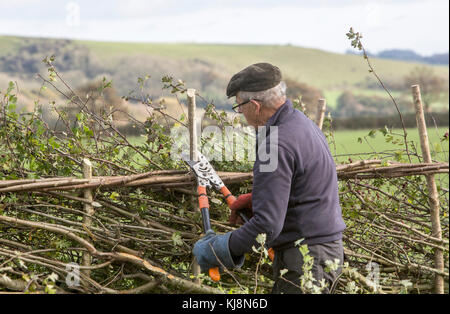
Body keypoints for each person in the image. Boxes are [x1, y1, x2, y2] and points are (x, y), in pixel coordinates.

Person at [193, 62, 346, 294]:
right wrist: (259, 198)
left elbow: (267, 225)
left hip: (305, 261)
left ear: (254, 105)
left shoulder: (273, 144)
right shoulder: (302, 125)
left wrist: (220, 248)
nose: (240, 113)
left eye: (239, 106)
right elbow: (304, 186)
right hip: (324, 254)